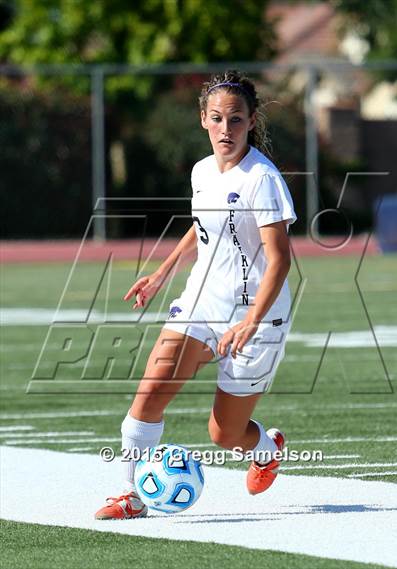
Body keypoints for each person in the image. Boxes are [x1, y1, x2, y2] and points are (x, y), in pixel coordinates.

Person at [95, 70, 296, 520]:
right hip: (201, 303)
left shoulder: (262, 179)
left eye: (237, 120)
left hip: (255, 318)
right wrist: (163, 271)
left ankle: (265, 446)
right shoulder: (202, 171)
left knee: (224, 435)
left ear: (251, 120)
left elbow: (279, 260)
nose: (227, 129)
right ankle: (130, 494)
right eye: (218, 119)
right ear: (203, 119)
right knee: (149, 392)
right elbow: (204, 225)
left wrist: (250, 322)